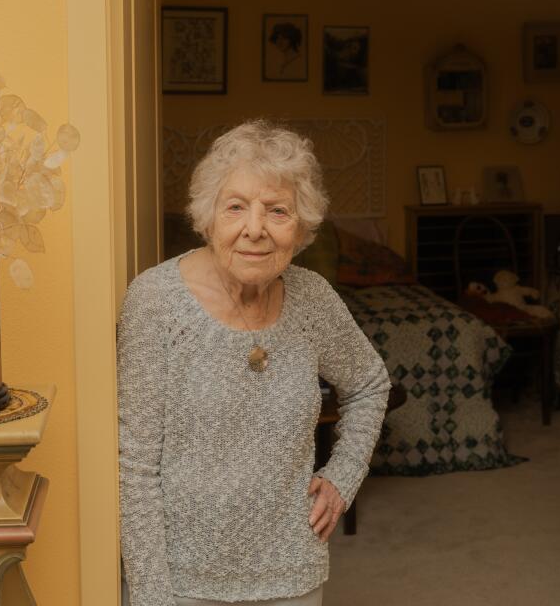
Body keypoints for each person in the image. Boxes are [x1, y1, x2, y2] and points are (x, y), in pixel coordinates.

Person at [118, 120, 390, 606]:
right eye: (236, 207)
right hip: (184, 582)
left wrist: (343, 476)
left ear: (301, 227)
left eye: (277, 211)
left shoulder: (313, 301)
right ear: (208, 217)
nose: (254, 229)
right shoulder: (155, 302)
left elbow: (369, 384)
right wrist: (150, 596)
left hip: (293, 573)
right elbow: (135, 466)